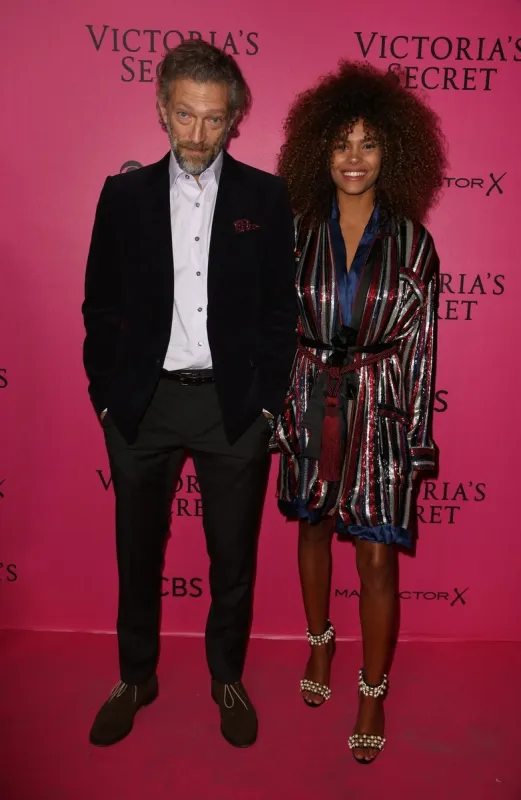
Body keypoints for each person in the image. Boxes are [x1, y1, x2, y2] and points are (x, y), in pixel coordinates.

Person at [82, 39, 296, 749]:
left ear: (233, 117)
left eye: (213, 118)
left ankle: (225, 675)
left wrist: (266, 404)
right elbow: (100, 305)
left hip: (231, 410)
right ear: (161, 110)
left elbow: (277, 310)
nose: (198, 133)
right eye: (184, 115)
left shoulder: (266, 197)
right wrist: (107, 399)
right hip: (141, 406)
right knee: (135, 553)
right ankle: (136, 675)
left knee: (232, 559)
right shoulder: (122, 195)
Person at [275, 61, 446, 764]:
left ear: (394, 152)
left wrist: (413, 441)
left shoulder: (413, 245)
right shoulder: (292, 233)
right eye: (340, 142)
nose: (352, 158)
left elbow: (423, 351)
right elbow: (266, 328)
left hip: (378, 410)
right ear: (319, 148)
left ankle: (372, 687)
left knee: (376, 559)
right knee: (310, 532)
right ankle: (320, 642)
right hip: (309, 399)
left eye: (368, 143)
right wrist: (276, 411)